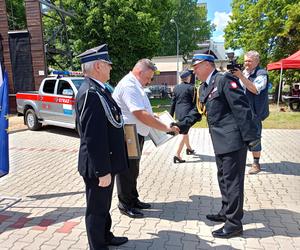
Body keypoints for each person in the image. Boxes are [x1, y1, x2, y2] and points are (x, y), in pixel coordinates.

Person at [174, 54, 260, 238]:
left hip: (233, 140)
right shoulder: (205, 86)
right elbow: (198, 112)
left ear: (207, 65)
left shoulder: (224, 79)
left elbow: (241, 108)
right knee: (223, 178)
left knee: (233, 182)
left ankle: (234, 224)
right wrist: (181, 125)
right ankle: (225, 212)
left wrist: (252, 140)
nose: (194, 70)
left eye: (196, 66)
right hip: (220, 140)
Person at [75, 44, 128, 250]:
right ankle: (97, 245)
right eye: (108, 64)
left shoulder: (99, 90)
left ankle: (106, 235)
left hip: (106, 161)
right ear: (98, 65)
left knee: (104, 205)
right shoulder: (91, 93)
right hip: (99, 166)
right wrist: (102, 171)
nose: (111, 68)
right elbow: (92, 137)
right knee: (96, 209)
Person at [112, 59, 179, 218]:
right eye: (148, 77)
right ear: (139, 72)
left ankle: (133, 199)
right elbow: (139, 113)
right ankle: (125, 204)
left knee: (133, 169)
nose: (149, 81)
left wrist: (153, 115)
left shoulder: (136, 84)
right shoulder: (129, 85)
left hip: (135, 132)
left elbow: (142, 109)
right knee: (127, 171)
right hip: (129, 133)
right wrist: (165, 128)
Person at [232, 51, 269, 174]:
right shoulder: (244, 72)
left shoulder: (262, 74)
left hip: (255, 112)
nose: (246, 63)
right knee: (238, 136)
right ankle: (239, 161)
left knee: (255, 137)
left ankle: (256, 163)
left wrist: (241, 77)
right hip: (241, 111)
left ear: (257, 61)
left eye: (249, 61)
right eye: (245, 61)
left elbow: (255, 89)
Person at [170, 69, 196, 163]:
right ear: (188, 77)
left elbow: (173, 103)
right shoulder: (191, 88)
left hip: (179, 113)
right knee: (183, 133)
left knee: (185, 132)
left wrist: (170, 115)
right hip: (188, 114)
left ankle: (189, 149)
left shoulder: (176, 87)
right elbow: (195, 102)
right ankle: (177, 154)